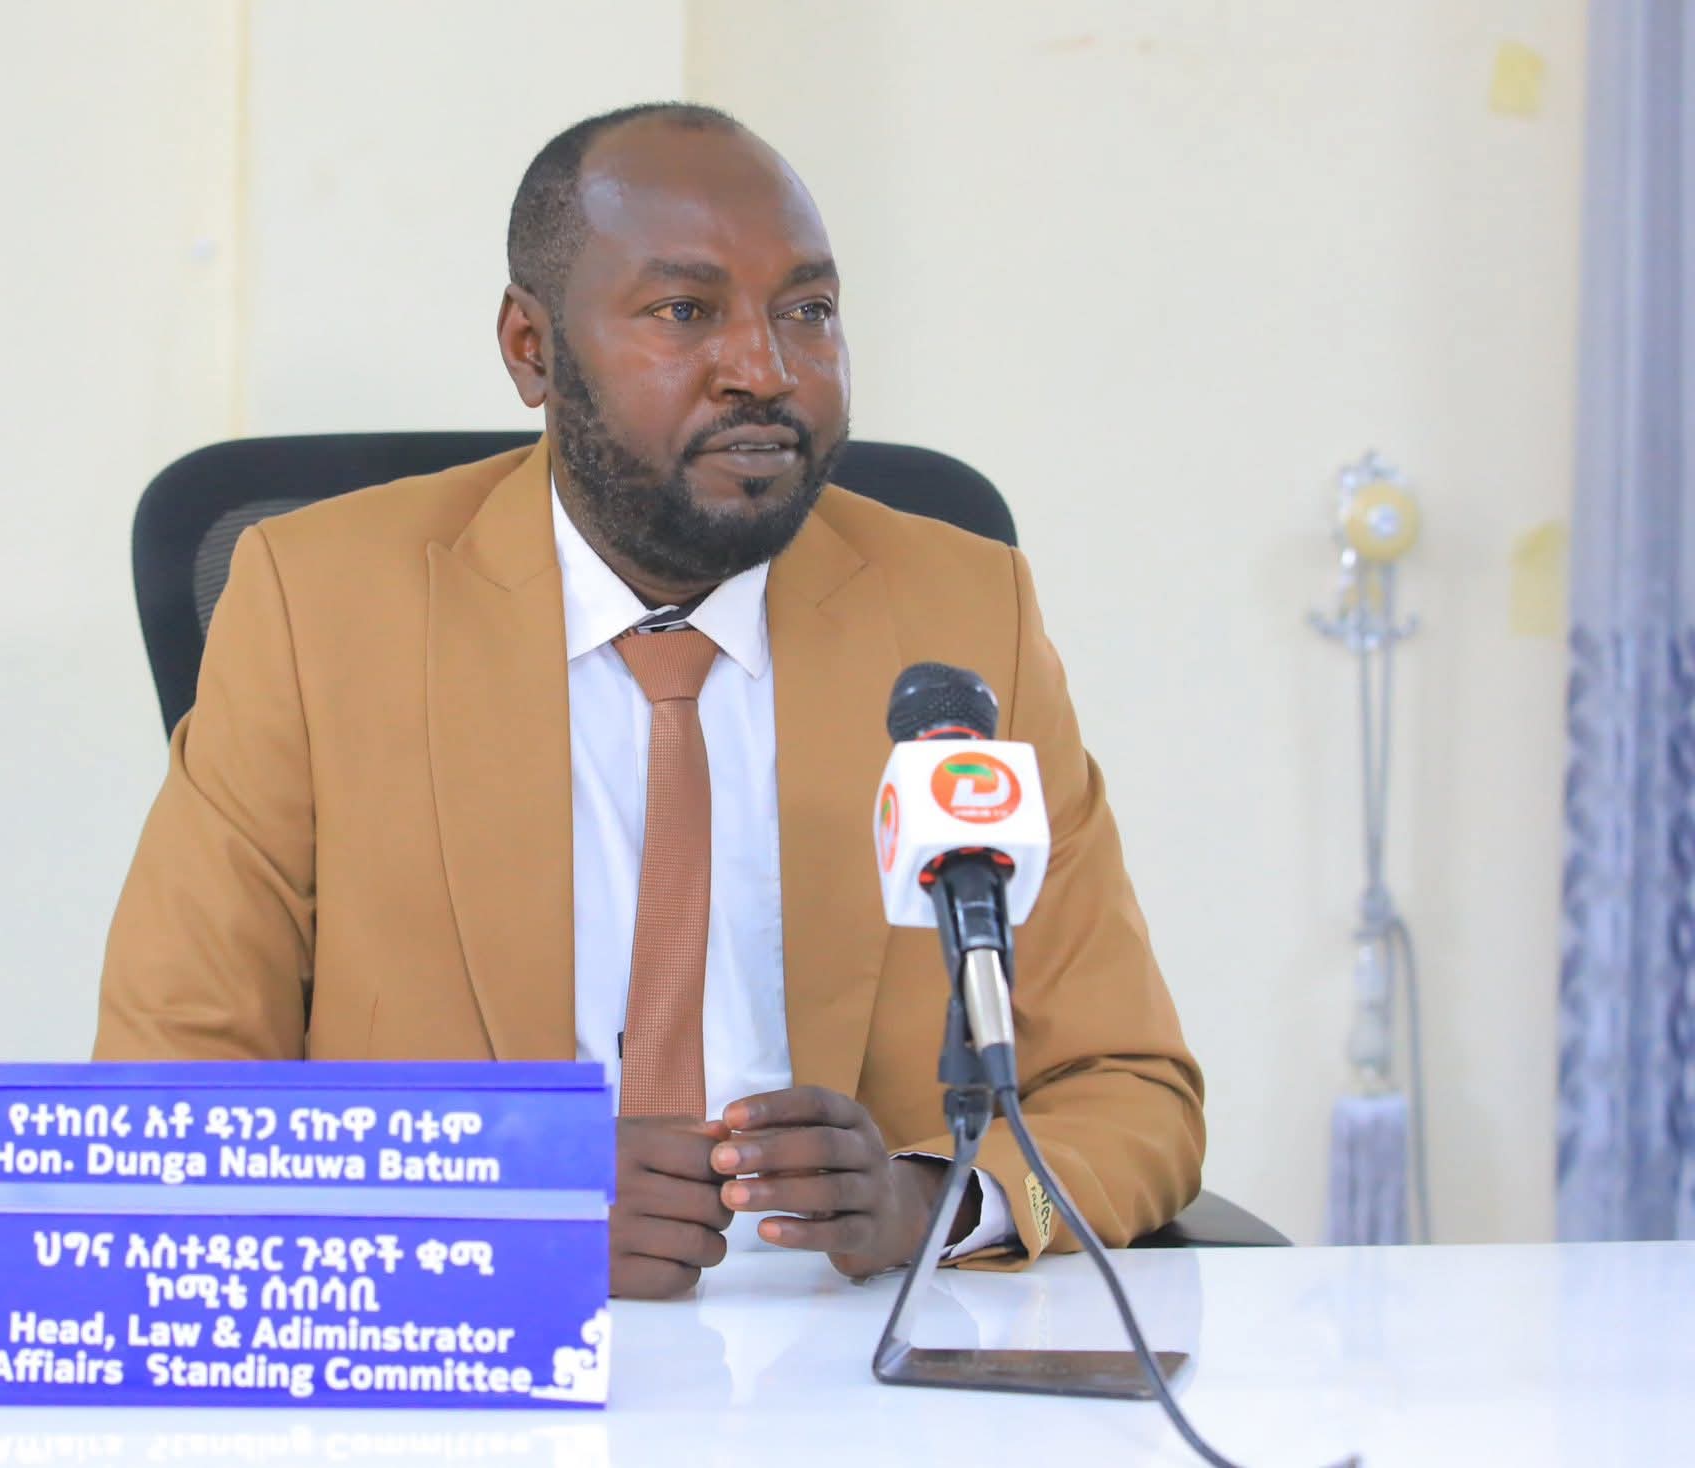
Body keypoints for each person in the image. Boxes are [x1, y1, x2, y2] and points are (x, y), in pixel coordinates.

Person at [96, 103, 1204, 1299]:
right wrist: (509, 1203)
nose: (764, 370)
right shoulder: (316, 607)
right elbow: (165, 1105)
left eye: (807, 311)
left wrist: (936, 1201)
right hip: (468, 1330)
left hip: (852, 1339)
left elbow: (1130, 1089)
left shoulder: (962, 612)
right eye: (685, 311)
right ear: (531, 348)